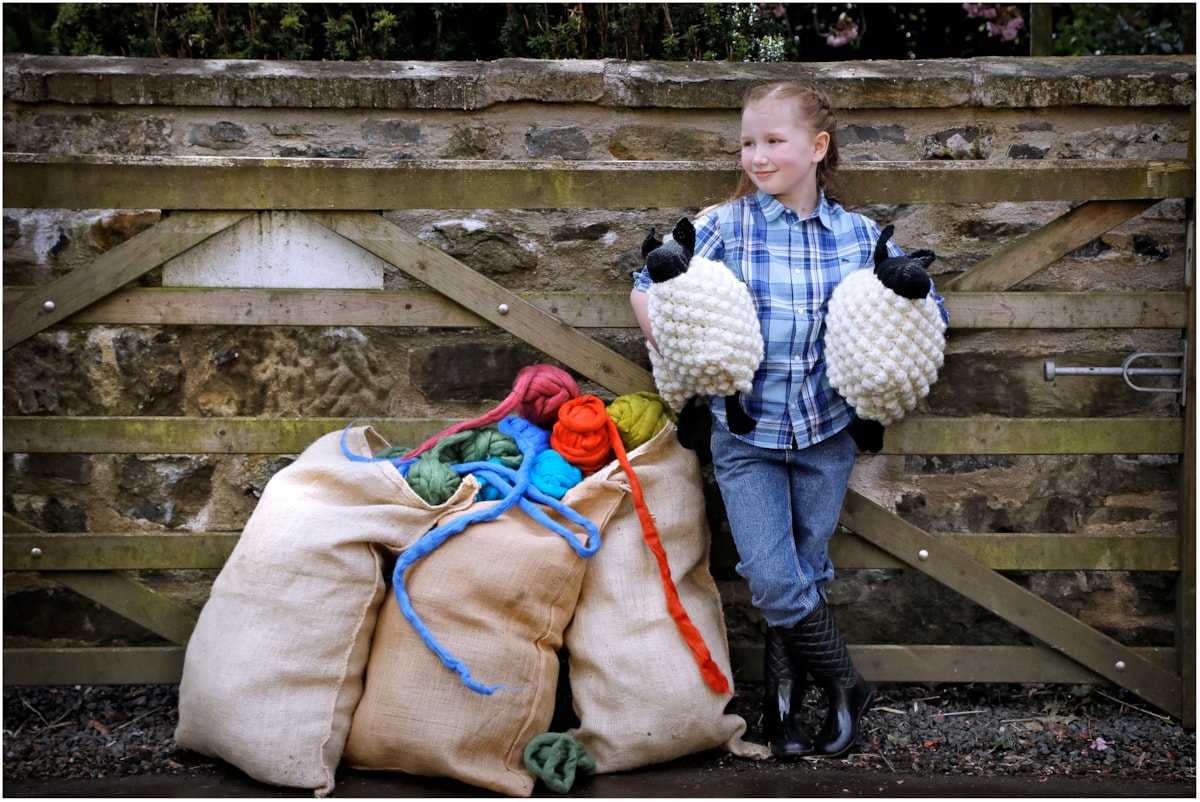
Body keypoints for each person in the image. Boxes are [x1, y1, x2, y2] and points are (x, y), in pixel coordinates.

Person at [629, 80, 946, 760]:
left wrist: (909, 297)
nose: (757, 155)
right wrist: (677, 345)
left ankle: (784, 713)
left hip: (826, 435)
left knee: (807, 568)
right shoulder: (723, 226)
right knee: (772, 576)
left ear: (817, 146)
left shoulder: (860, 237)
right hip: (745, 435)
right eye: (748, 142)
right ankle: (847, 684)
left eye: (773, 141)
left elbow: (922, 309)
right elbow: (649, 282)